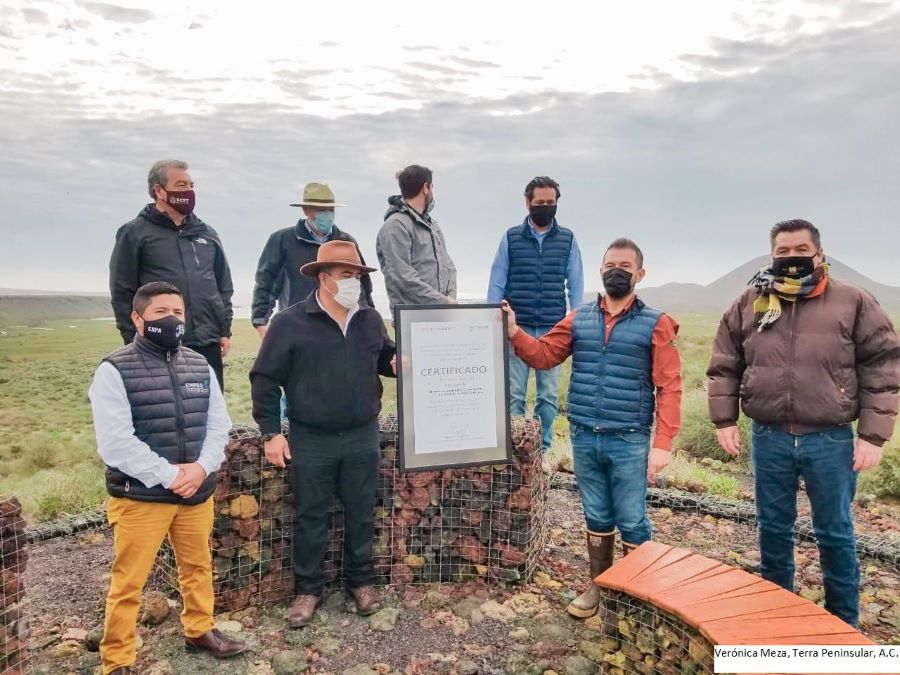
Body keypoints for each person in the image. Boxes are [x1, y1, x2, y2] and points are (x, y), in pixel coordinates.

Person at [707, 219, 900, 628]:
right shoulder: (751, 302)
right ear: (771, 256)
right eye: (783, 253)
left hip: (830, 439)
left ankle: (841, 625)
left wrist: (872, 435)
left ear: (819, 254)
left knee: (834, 533)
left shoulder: (853, 301)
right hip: (768, 436)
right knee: (773, 529)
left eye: (800, 251)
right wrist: (724, 420)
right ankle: (777, 618)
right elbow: (725, 363)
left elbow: (883, 365)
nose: (792, 260)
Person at [501, 238, 682, 620]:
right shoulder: (578, 317)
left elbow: (669, 385)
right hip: (584, 435)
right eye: (611, 263)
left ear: (640, 274)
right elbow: (544, 355)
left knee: (632, 519)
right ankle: (599, 587)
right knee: (597, 516)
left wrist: (662, 442)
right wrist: (515, 332)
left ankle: (636, 597)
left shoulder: (657, 323)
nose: (617, 270)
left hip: (629, 438)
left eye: (626, 265)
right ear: (600, 270)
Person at [88, 282, 245, 675]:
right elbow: (116, 444)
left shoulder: (199, 364)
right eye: (161, 312)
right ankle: (117, 661)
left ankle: (199, 630)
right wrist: (172, 475)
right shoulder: (113, 369)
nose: (172, 319)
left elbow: (218, 425)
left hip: (195, 491)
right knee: (128, 583)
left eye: (177, 311)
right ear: (137, 319)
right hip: (141, 497)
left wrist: (202, 468)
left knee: (198, 567)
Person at [250, 240, 397, 628]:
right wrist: (270, 433)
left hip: (363, 433)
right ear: (324, 277)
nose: (356, 283)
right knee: (311, 514)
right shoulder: (289, 322)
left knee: (362, 511)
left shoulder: (368, 319)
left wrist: (398, 363)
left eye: (359, 276)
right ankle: (308, 590)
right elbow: (264, 379)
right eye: (348, 275)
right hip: (311, 436)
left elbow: (383, 357)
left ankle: (361, 582)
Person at [109, 159, 234, 391]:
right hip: (159, 341)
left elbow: (223, 285)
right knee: (164, 408)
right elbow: (122, 289)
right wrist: (132, 338)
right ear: (159, 190)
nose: (189, 191)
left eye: (191, 185)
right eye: (181, 185)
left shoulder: (208, 234)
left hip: (207, 341)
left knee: (208, 410)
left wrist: (224, 330)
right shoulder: (135, 233)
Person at [487, 176, 584, 458]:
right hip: (518, 328)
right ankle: (516, 452)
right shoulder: (510, 238)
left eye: (550, 203)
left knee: (548, 397)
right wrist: (493, 318)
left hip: (554, 329)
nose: (545, 207)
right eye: (539, 203)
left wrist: (577, 320)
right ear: (527, 202)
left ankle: (541, 452)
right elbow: (497, 280)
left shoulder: (567, 239)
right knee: (514, 393)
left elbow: (575, 283)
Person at [251, 182, 375, 338]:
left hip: (340, 326)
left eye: (331, 210)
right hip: (297, 325)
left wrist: (368, 317)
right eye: (321, 210)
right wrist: (261, 320)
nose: (328, 215)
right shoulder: (282, 240)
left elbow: (362, 285)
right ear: (306, 210)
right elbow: (266, 281)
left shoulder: (346, 242)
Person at [376, 164, 457, 315]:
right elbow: (403, 278)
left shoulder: (432, 226)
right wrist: (442, 302)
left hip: (441, 316)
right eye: (432, 187)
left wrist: (449, 300)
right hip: (412, 318)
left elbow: (449, 267)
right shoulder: (396, 226)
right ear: (425, 188)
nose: (432, 192)